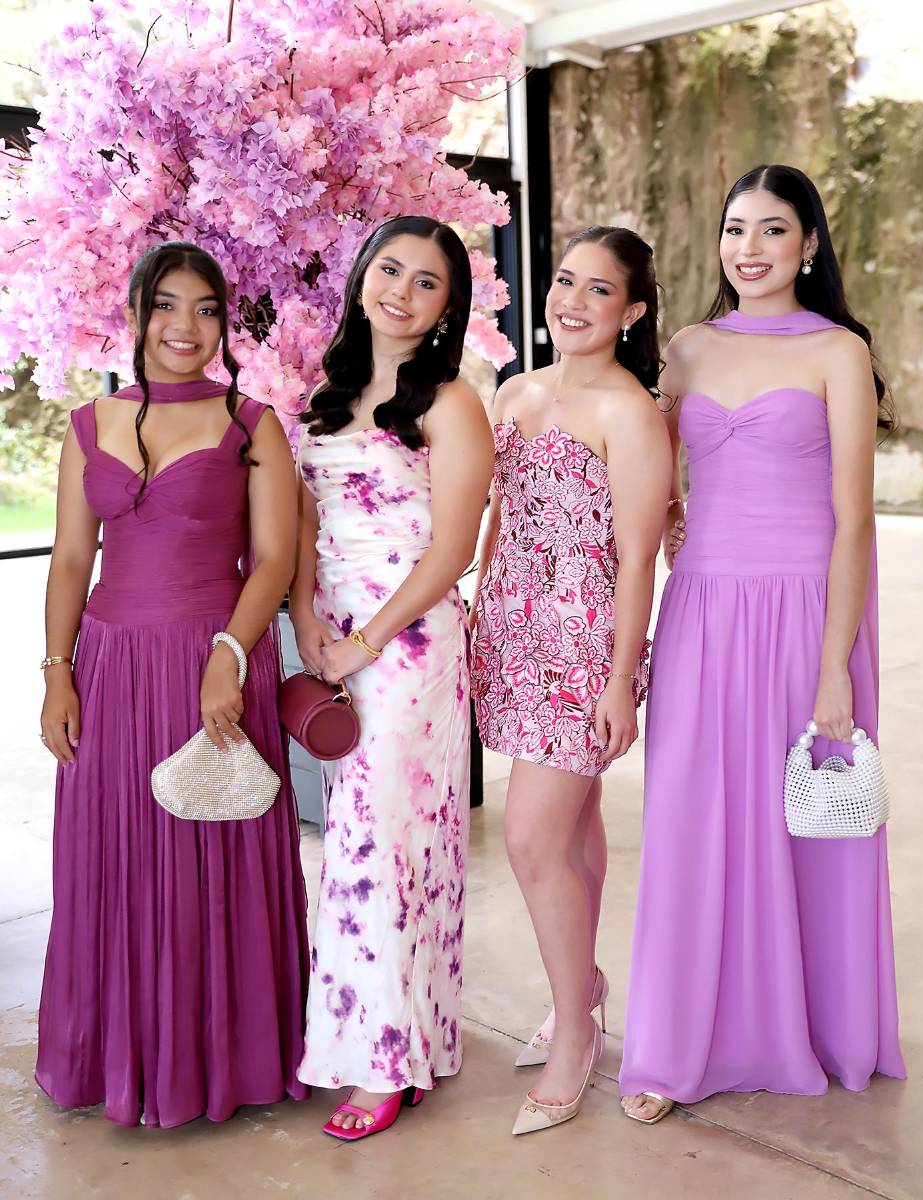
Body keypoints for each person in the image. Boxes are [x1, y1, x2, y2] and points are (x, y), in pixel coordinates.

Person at [620, 165, 906, 1125]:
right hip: (700, 606)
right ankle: (673, 1047)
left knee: (806, 820)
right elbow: (652, 475)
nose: (748, 248)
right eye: (734, 228)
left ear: (809, 246)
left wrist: (835, 668)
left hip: (805, 610)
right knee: (692, 819)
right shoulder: (688, 348)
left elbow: (854, 521)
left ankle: (820, 1029)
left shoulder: (838, 352)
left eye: (772, 230)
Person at [36, 241, 310, 1127]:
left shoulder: (250, 421)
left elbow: (274, 557)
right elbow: (73, 557)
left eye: (204, 309)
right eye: (166, 306)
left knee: (214, 852)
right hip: (113, 669)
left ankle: (224, 1062)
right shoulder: (91, 424)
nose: (184, 326)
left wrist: (230, 654)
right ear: (136, 315)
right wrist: (57, 675)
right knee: (114, 855)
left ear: (223, 325)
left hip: (213, 658)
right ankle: (118, 1056)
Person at [292, 216, 493, 1140]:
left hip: (406, 646)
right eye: (389, 269)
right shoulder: (323, 396)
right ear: (361, 277)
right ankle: (403, 1038)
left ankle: (382, 1064)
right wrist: (305, 624)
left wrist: (362, 643)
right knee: (361, 848)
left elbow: (452, 550)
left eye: (427, 282)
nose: (401, 291)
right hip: (331, 641)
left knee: (383, 845)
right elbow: (300, 524)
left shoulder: (450, 402)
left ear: (447, 308)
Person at [470, 226, 670, 1135]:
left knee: (528, 838)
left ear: (630, 312)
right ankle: (579, 984)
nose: (572, 301)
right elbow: (499, 512)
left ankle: (576, 1035)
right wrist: (477, 603)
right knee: (572, 831)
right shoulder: (517, 390)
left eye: (599, 290)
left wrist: (621, 678)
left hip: (583, 646)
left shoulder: (629, 412)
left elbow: (637, 560)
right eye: (563, 281)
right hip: (510, 630)